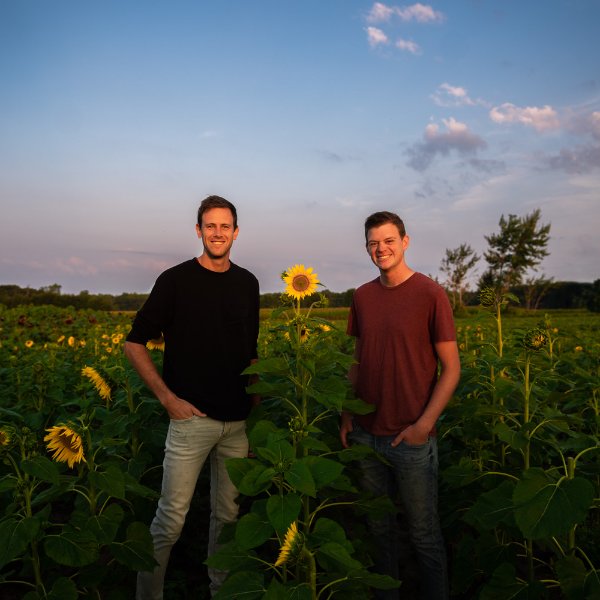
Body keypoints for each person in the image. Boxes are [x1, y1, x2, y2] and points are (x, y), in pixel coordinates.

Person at [124, 195, 260, 599]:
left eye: (225, 226)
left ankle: (222, 590)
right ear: (199, 231)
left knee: (229, 517)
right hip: (191, 421)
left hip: (237, 425)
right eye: (210, 226)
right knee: (170, 520)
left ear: (236, 232)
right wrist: (167, 399)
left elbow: (250, 354)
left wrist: (255, 416)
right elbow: (134, 344)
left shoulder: (248, 283)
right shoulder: (175, 280)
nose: (218, 233)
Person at [340, 211, 460, 600]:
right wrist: (346, 413)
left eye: (389, 240)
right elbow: (357, 358)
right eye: (374, 243)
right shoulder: (362, 296)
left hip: (410, 436)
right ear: (367, 248)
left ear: (405, 242)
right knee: (379, 531)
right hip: (364, 433)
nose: (381, 249)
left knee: (423, 533)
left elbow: (452, 368)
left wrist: (424, 425)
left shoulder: (430, 293)